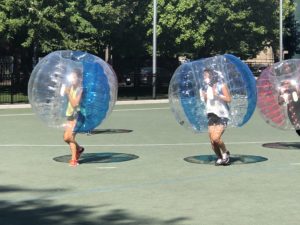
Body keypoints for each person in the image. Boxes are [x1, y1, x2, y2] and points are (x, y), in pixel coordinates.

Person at [200, 69, 232, 166]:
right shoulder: (204, 88)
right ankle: (219, 157)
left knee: (216, 138)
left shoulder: (221, 85)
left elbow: (229, 99)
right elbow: (206, 102)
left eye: (206, 75)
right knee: (212, 141)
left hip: (222, 115)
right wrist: (204, 96)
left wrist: (217, 94)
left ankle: (225, 153)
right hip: (210, 114)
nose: (205, 78)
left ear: (212, 76)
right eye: (204, 76)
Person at [63, 68, 85, 167]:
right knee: (66, 138)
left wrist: (67, 93)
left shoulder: (80, 89)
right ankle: (79, 149)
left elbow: (75, 103)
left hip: (77, 115)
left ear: (79, 78)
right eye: (71, 77)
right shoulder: (70, 86)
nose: (72, 79)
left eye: (74, 77)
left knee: (70, 137)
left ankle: (74, 160)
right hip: (69, 114)